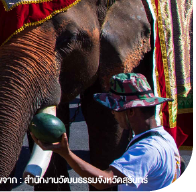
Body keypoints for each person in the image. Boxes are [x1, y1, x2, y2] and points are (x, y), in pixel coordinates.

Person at [34, 73, 181, 191]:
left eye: (115, 108)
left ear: (130, 111)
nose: (112, 113)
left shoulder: (146, 150)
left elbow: (104, 181)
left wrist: (66, 153)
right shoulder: (164, 137)